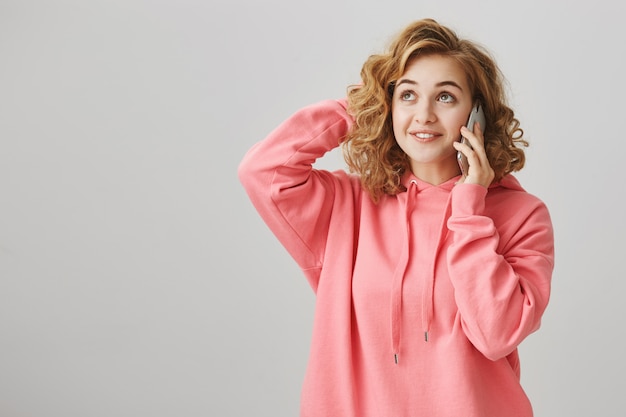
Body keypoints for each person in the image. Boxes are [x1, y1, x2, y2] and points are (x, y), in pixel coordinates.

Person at [238, 18, 554, 417]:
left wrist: (469, 206)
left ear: (477, 115)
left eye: (445, 97)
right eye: (407, 95)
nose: (423, 114)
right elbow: (262, 171)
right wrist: (359, 108)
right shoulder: (348, 206)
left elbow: (498, 334)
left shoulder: (521, 216)